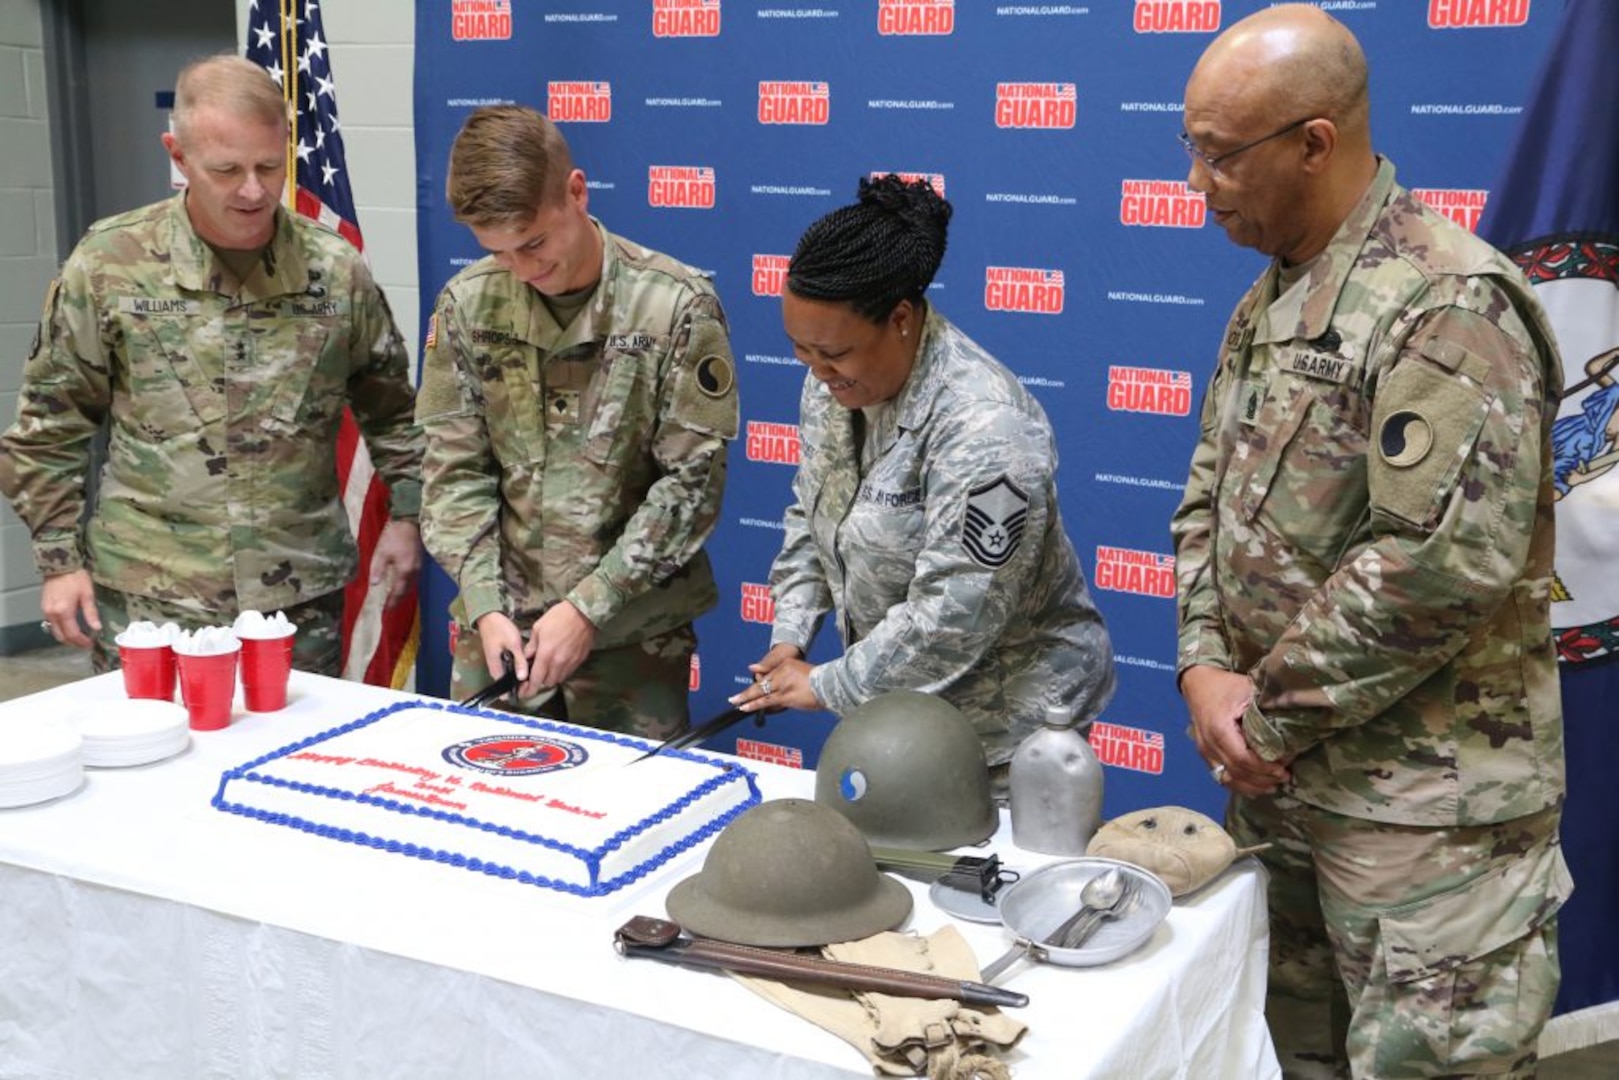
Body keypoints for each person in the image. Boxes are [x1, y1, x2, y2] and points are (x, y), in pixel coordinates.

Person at [1170, 7, 1569, 1078]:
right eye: (1189, 150)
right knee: (1293, 1056)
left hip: (1420, 819)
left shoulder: (1445, 302)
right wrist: (1203, 662)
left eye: (1221, 155)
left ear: (1313, 141)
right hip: (1286, 791)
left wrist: (1265, 709)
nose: (1198, 183)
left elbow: (1433, 567)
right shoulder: (1273, 295)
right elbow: (1209, 497)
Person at [0, 55, 422, 675]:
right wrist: (60, 562)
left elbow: (393, 415)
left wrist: (407, 517)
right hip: (150, 596)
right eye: (226, 170)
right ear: (178, 155)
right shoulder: (111, 265)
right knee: (149, 766)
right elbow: (49, 427)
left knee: (289, 763)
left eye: (268, 167)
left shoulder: (334, 271)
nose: (252, 190)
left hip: (297, 598)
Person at [731, 175, 1115, 786]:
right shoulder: (832, 384)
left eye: (832, 353)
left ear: (902, 319)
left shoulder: (987, 425)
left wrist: (828, 684)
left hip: (1007, 734)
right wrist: (791, 633)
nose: (816, 371)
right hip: (899, 715)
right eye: (800, 349)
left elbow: (954, 614)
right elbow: (812, 508)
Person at [419, 105, 738, 740]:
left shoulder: (674, 308)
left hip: (630, 647)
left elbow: (690, 486)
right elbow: (453, 473)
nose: (523, 269)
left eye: (534, 242)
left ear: (576, 191)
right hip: (500, 636)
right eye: (499, 252)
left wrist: (589, 609)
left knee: (630, 821)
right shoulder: (467, 304)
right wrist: (484, 607)